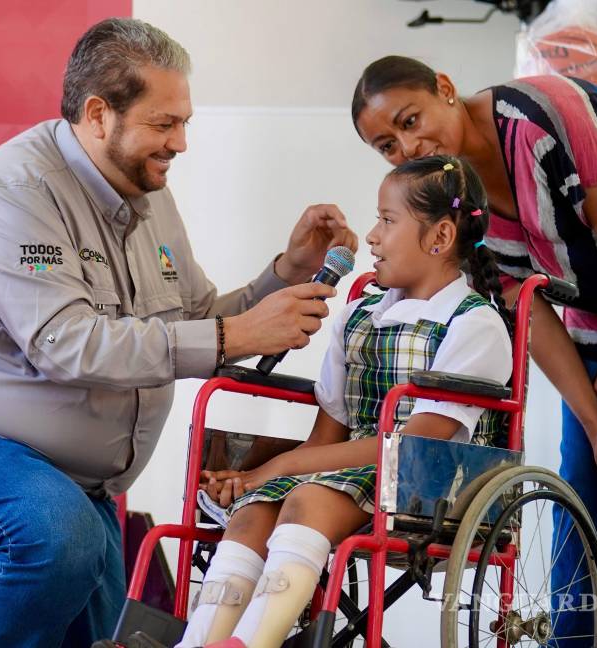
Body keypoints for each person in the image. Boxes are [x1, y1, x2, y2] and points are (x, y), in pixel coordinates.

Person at [0, 18, 359, 648]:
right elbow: (66, 344)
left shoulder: (148, 192)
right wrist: (235, 334)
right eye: (164, 123)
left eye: (184, 123)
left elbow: (198, 318)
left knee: (86, 611)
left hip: (73, 489)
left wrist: (286, 272)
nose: (180, 143)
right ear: (98, 115)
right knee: (54, 537)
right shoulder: (15, 192)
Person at [351, 56, 597, 648]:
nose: (407, 148)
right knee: (580, 485)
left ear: (446, 88)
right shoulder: (457, 201)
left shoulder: (547, 115)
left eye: (410, 121)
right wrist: (593, 418)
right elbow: (530, 309)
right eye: (387, 146)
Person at [163, 156, 512, 648]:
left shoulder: (473, 324)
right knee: (253, 510)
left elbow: (410, 449)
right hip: (351, 472)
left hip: (428, 482)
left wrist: (280, 465)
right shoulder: (358, 317)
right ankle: (198, 641)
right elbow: (326, 437)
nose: (371, 236)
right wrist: (259, 478)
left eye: (387, 220)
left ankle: (251, 643)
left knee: (305, 498)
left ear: (440, 237)